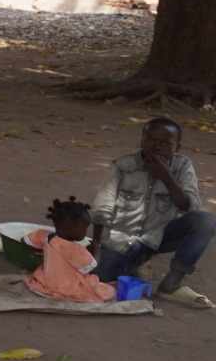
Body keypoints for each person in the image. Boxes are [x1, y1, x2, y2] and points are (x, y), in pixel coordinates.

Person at [91, 117, 216, 309]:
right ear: (142, 142)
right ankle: (139, 261)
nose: (157, 147)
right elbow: (102, 209)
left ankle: (171, 284)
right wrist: (96, 247)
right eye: (151, 141)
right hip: (120, 239)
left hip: (159, 236)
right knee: (99, 282)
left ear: (178, 147)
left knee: (204, 222)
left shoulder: (182, 167)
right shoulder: (122, 166)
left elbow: (189, 207)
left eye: (166, 143)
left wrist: (167, 177)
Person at [24, 196, 114, 303]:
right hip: (68, 289)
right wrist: (96, 249)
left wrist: (44, 250)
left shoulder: (46, 236)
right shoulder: (73, 249)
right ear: (68, 227)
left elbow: (25, 240)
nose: (86, 232)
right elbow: (92, 266)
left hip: (45, 283)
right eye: (84, 228)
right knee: (108, 291)